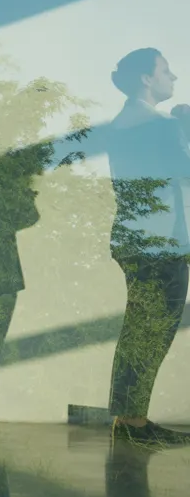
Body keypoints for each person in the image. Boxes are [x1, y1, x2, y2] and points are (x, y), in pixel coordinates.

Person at [104, 48, 190, 447]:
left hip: (140, 240)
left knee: (140, 330)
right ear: (146, 79)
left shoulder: (126, 121)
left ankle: (129, 419)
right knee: (150, 332)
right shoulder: (155, 123)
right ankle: (133, 423)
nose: (173, 77)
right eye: (166, 71)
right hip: (159, 245)